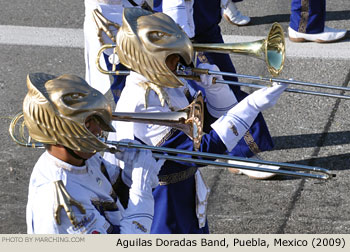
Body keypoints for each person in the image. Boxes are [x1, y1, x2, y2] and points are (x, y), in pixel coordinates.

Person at [103, 8, 288, 234]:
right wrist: (251, 105)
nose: (180, 63)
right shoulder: (142, 102)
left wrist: (217, 89)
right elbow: (203, 150)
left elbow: (211, 124)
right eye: (172, 58)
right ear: (150, 61)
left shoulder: (167, 82)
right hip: (160, 201)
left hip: (184, 188)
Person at [24, 73, 164, 234]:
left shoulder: (84, 159)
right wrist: (142, 187)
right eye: (88, 124)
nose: (98, 131)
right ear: (62, 131)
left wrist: (131, 171)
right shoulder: (61, 200)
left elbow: (116, 196)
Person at [153, 0, 277, 179]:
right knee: (216, 90)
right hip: (188, 28)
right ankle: (239, 153)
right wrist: (180, 38)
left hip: (203, 21)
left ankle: (233, 147)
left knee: (223, 87)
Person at [84, 0, 151, 103]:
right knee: (126, 78)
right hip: (110, 15)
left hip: (135, 11)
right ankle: (127, 116)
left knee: (147, 74)